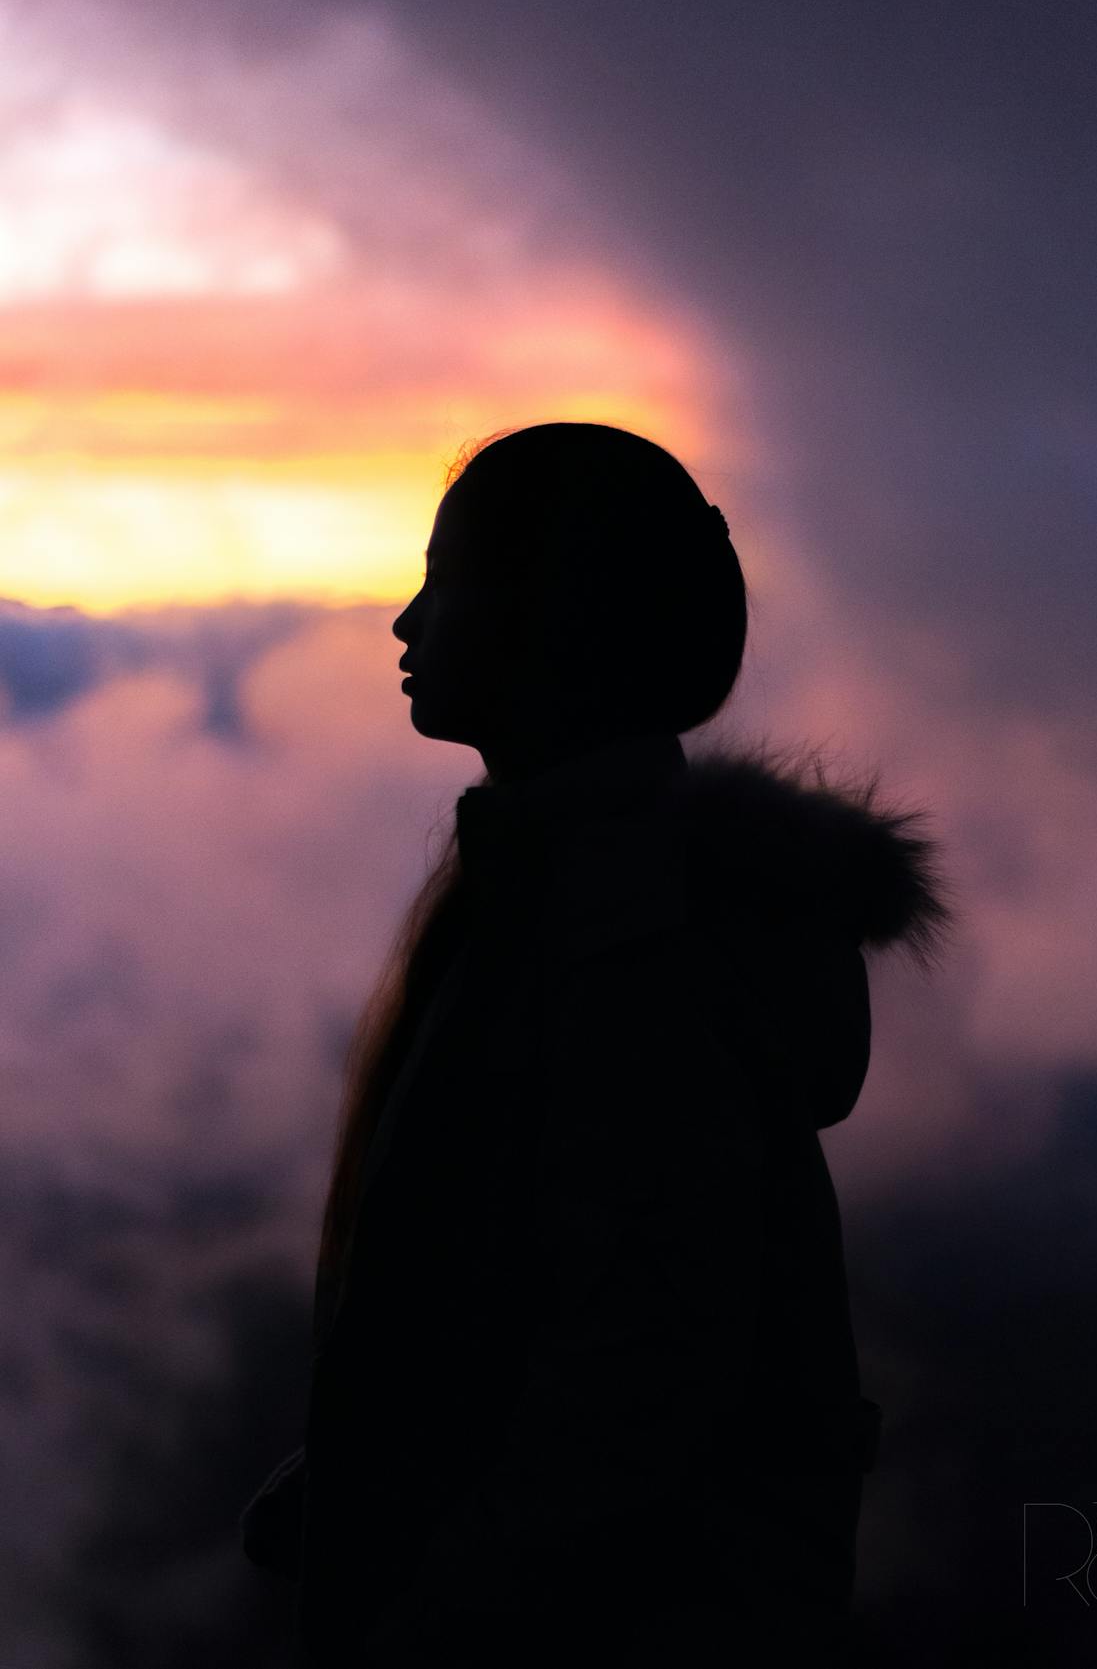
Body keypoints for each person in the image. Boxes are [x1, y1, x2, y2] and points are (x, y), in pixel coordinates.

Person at [239, 421, 955, 1666]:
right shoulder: (571, 904)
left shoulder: (627, 950)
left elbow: (634, 1392)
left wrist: (423, 1616)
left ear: (555, 623)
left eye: (448, 584)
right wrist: (359, 1478)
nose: (406, 624)